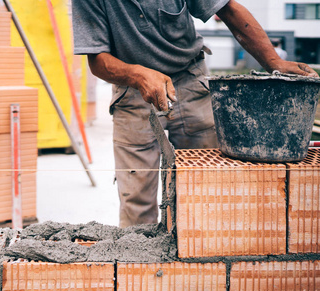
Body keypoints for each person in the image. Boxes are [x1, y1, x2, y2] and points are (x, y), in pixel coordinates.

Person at [71, 0, 319, 228]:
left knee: (207, 189)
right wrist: (137, 75)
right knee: (136, 200)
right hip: (132, 89)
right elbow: (97, 59)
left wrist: (273, 61)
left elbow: (228, 9)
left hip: (189, 79)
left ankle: (203, 261)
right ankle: (144, 268)